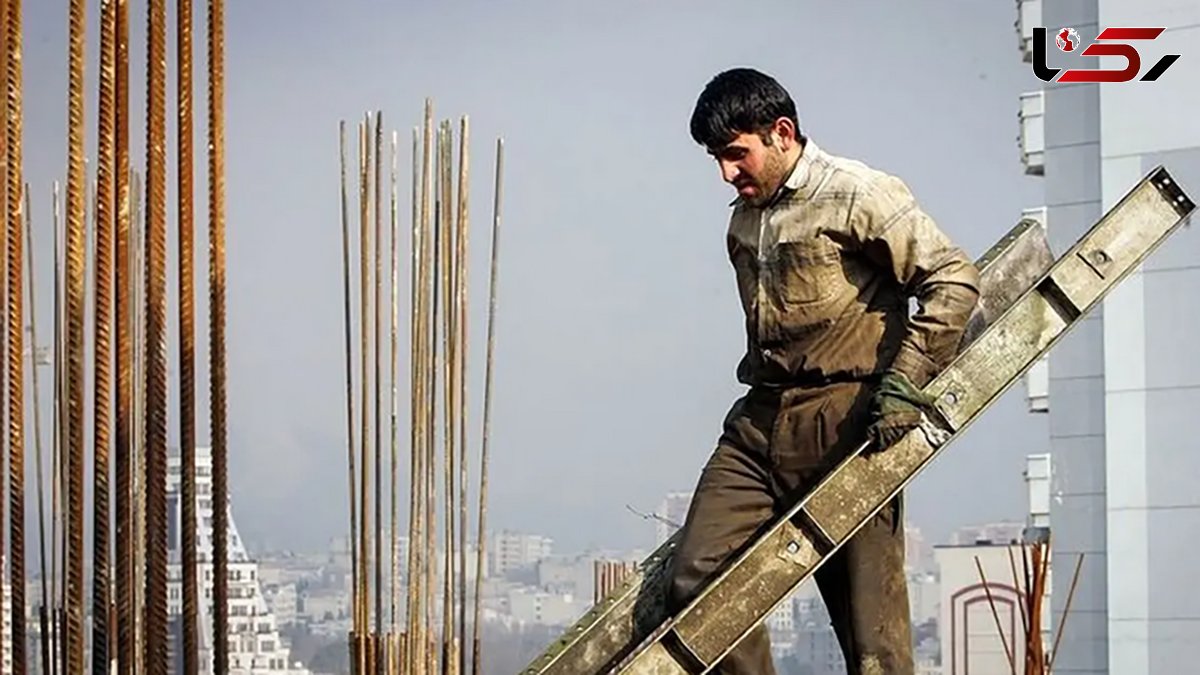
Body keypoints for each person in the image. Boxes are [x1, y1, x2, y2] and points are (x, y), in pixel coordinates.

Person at [665, 68, 981, 675]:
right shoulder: (745, 216)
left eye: (735, 154)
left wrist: (905, 383)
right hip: (760, 424)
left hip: (850, 423)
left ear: (782, 133)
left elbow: (952, 280)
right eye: (716, 158)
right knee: (695, 578)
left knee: (873, 643)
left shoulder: (858, 192)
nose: (726, 173)